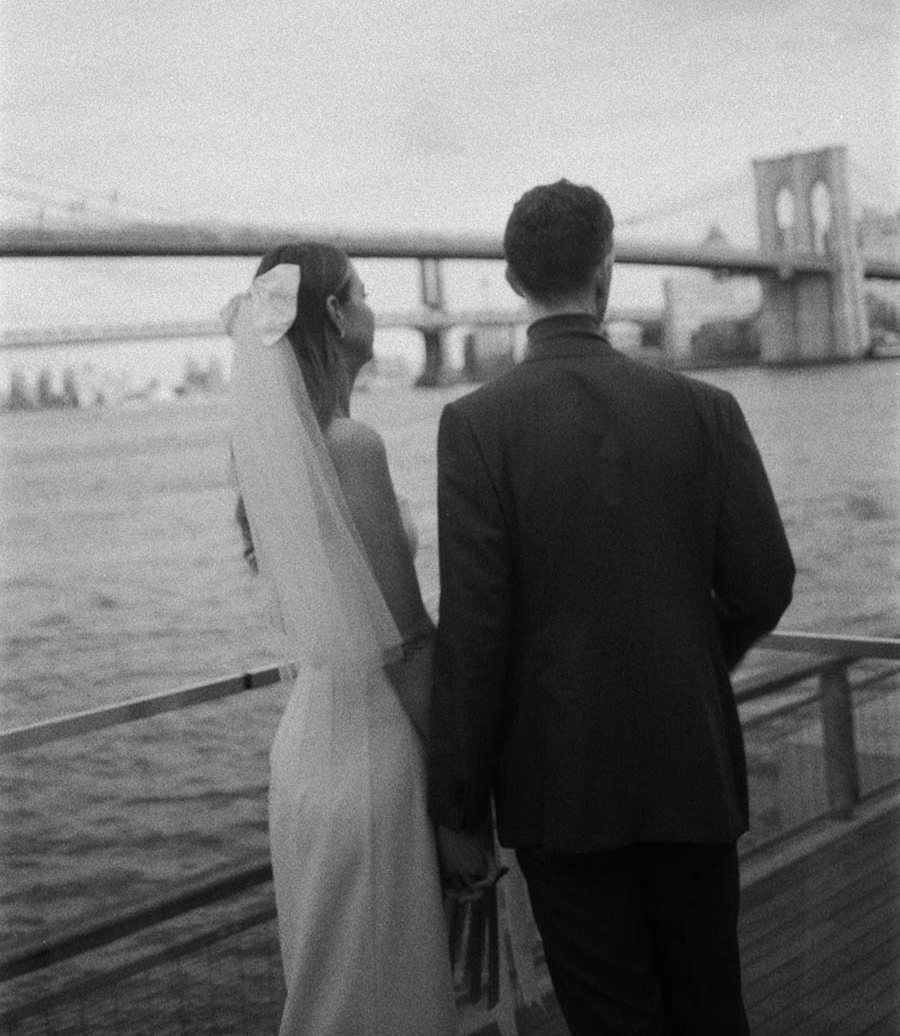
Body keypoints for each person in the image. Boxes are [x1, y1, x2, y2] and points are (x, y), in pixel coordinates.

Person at [428, 179, 795, 1036]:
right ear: (608, 271)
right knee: (711, 1008)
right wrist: (695, 654)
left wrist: (458, 807)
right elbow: (766, 582)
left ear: (515, 284)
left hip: (563, 791)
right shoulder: (706, 409)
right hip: (690, 767)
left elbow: (476, 639)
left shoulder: (476, 427)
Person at [224, 242, 458, 1036]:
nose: (372, 308)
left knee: (332, 996)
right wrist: (464, 798)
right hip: (371, 758)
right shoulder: (352, 447)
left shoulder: (278, 453)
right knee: (386, 1001)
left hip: (304, 762)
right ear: (334, 314)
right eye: (362, 292)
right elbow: (409, 644)